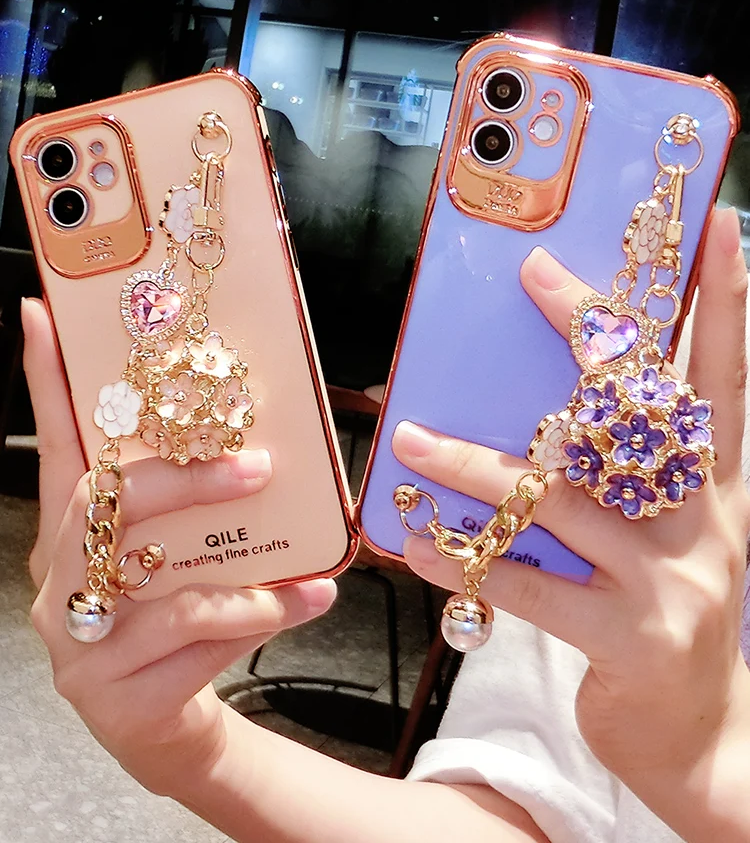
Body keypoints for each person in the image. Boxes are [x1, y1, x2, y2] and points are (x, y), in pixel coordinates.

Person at [22, 207, 750, 843]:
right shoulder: (663, 399)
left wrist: (708, 767)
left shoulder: (663, 411)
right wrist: (199, 754)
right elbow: (530, 815)